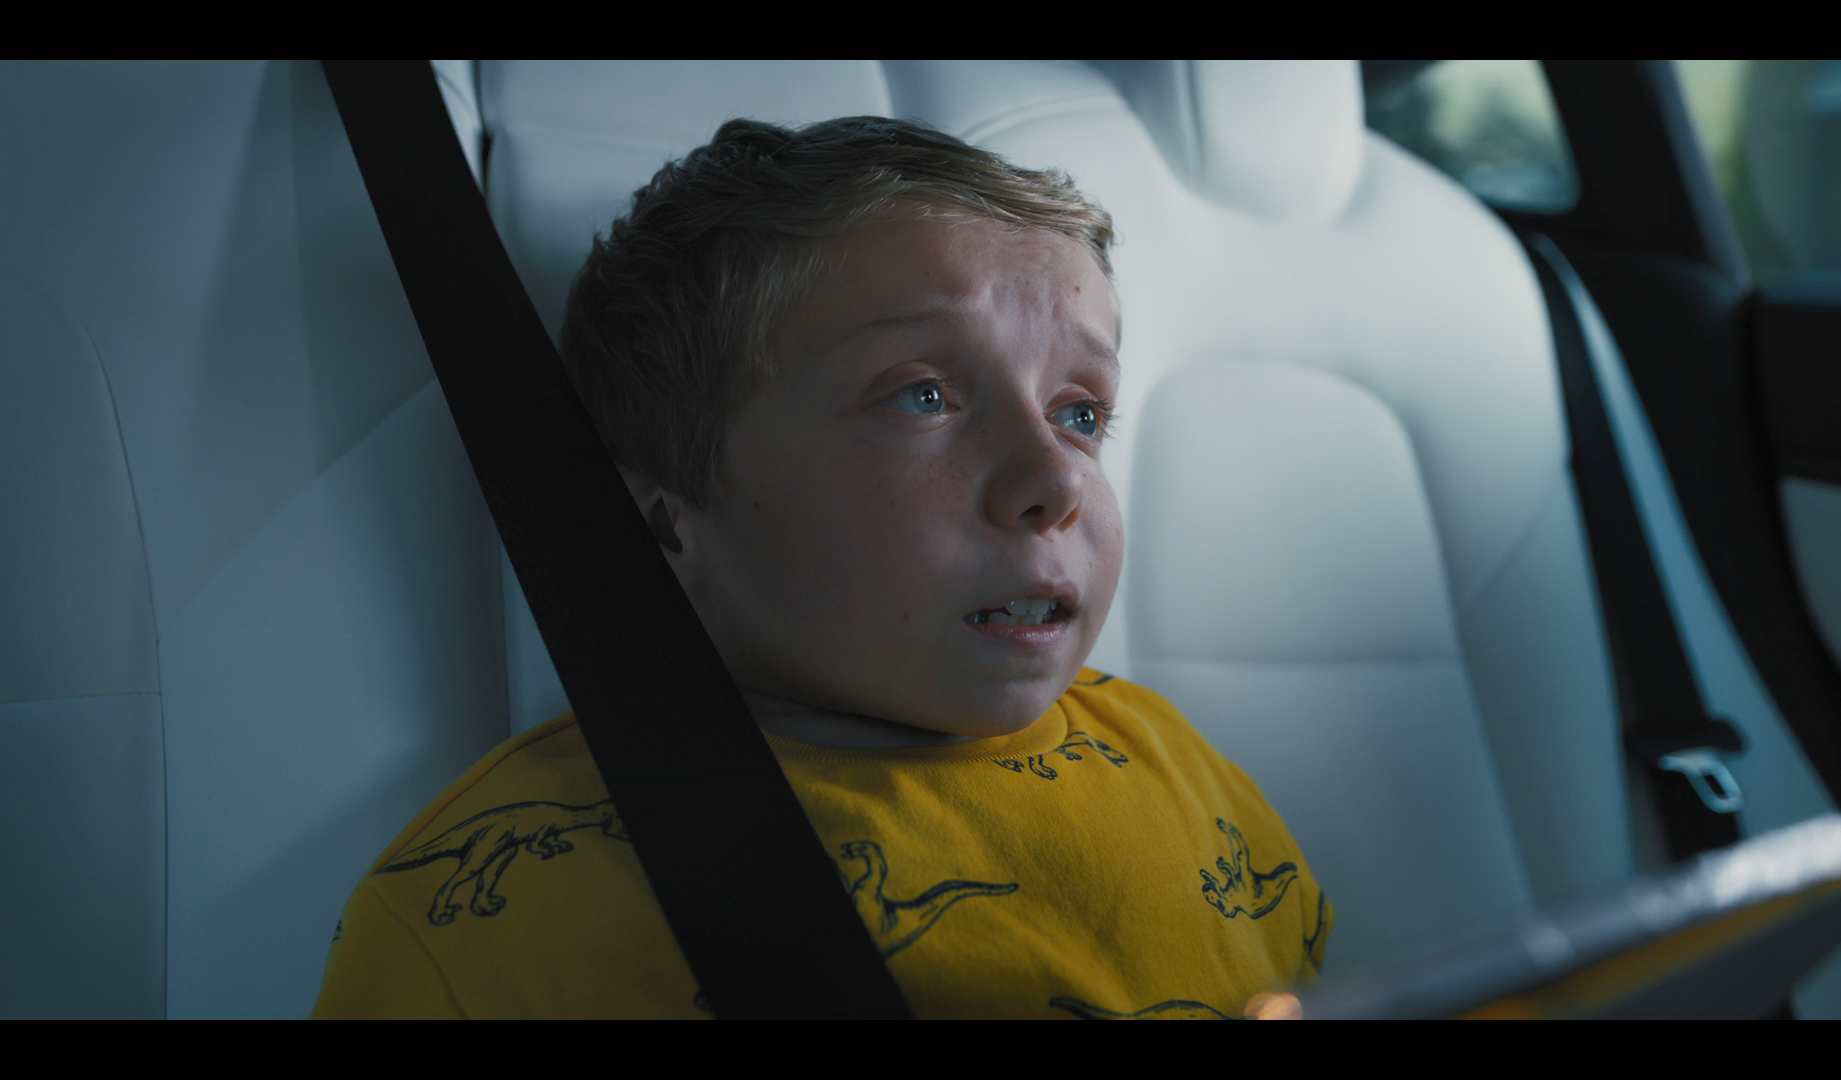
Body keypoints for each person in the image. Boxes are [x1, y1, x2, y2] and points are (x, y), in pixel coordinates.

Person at [312, 116, 1330, 1019]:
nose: (1055, 479)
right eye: (923, 396)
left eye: (1081, 412)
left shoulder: (1172, 757)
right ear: (666, 526)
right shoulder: (496, 897)